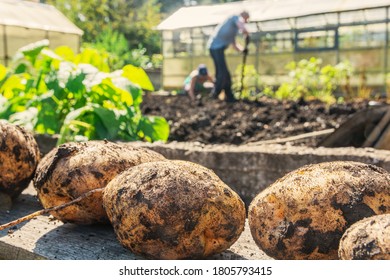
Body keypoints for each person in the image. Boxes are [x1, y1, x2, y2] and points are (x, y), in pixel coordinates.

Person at [207, 11, 250, 102]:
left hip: (219, 49)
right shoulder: (234, 18)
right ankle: (215, 94)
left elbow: (234, 44)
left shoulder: (234, 29)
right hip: (215, 48)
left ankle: (228, 95)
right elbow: (241, 25)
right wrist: (245, 32)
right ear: (243, 16)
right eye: (247, 19)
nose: (246, 21)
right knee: (222, 72)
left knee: (225, 73)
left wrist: (242, 50)